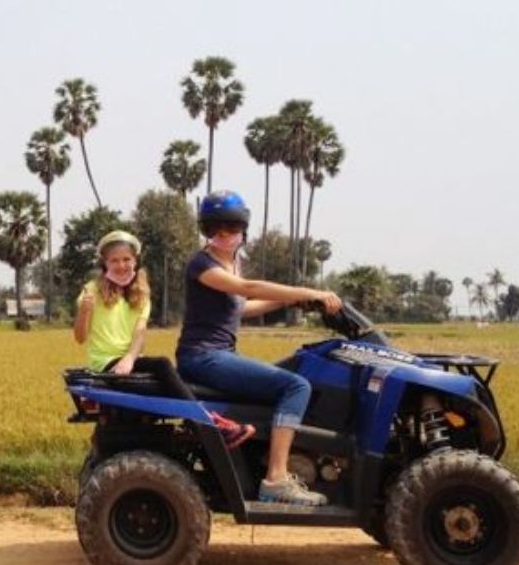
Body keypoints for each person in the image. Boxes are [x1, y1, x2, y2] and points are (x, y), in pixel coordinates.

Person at [175, 191, 342, 506]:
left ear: (243, 229)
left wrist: (295, 300)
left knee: (297, 370)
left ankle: (267, 456)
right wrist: (310, 291)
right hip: (202, 357)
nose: (223, 235)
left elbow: (241, 307)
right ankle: (276, 478)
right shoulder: (202, 263)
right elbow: (247, 289)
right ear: (206, 230)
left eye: (231, 228)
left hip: (219, 355)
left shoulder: (233, 262)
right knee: (296, 386)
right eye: (215, 229)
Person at [75, 230, 254, 449]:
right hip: (107, 363)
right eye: (115, 260)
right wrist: (84, 311)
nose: (121, 265)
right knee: (162, 364)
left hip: (128, 362)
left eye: (126, 259)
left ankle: (194, 426)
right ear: (105, 263)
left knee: (176, 379)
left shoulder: (141, 293)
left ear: (135, 261)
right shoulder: (92, 290)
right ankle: (211, 425)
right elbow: (80, 337)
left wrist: (130, 359)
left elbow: (140, 333)